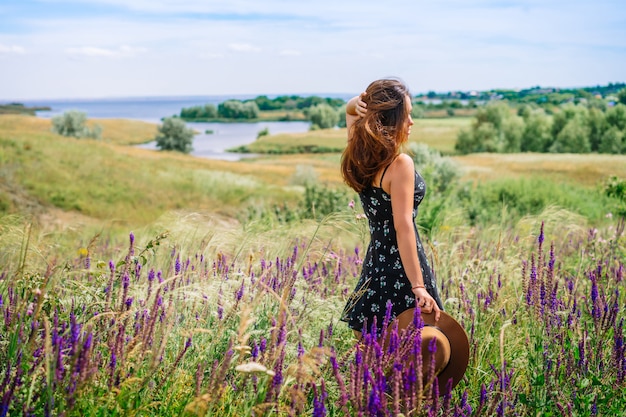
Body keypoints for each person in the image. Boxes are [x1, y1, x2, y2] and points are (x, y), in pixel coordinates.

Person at [340, 78, 443, 339]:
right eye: (406, 115)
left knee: (373, 355)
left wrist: (357, 103)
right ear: (390, 119)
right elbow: (403, 226)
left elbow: (350, 112)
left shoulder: (361, 156)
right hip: (403, 267)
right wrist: (418, 285)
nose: (411, 122)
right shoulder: (399, 164)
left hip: (376, 266)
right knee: (419, 358)